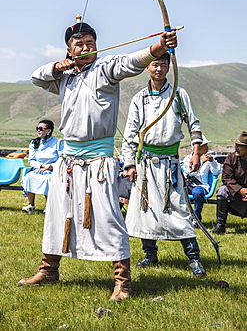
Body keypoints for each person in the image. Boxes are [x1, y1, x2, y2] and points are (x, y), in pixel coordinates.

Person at [18, 17, 177, 301]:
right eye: (79, 44)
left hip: (99, 163)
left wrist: (157, 47)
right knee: (57, 214)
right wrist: (58, 66)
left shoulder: (105, 68)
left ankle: (123, 283)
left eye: (91, 43)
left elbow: (132, 61)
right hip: (68, 162)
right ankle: (49, 270)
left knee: (108, 217)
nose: (86, 47)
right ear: (69, 50)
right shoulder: (63, 78)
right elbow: (36, 77)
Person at [122, 52, 206, 276]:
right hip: (146, 164)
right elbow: (130, 132)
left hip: (171, 163)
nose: (158, 69)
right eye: (154, 65)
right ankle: (150, 255)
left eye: (163, 65)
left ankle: (194, 258)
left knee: (179, 210)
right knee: (146, 209)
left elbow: (194, 124)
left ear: (169, 67)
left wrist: (196, 153)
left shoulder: (179, 94)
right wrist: (129, 163)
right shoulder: (139, 98)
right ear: (147, 68)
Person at [21, 120, 63, 214]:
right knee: (28, 177)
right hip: (38, 169)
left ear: (49, 131)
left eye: (41, 129)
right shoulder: (34, 143)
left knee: (48, 179)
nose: (38, 131)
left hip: (52, 170)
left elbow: (62, 159)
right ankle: (31, 205)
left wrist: (50, 166)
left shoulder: (58, 142)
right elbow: (31, 160)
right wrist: (42, 166)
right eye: (37, 129)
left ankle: (49, 206)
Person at [211, 131, 247, 234]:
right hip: (235, 194)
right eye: (236, 145)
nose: (236, 148)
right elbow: (226, 178)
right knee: (222, 191)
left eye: (240, 146)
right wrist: (240, 190)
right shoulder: (231, 158)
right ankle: (220, 225)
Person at [182, 135, 222, 227]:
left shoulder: (208, 159)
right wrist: (201, 161)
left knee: (197, 193)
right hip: (187, 184)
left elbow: (216, 172)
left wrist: (212, 161)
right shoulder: (187, 159)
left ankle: (196, 218)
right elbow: (190, 172)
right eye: (205, 145)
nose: (207, 147)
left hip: (201, 186)